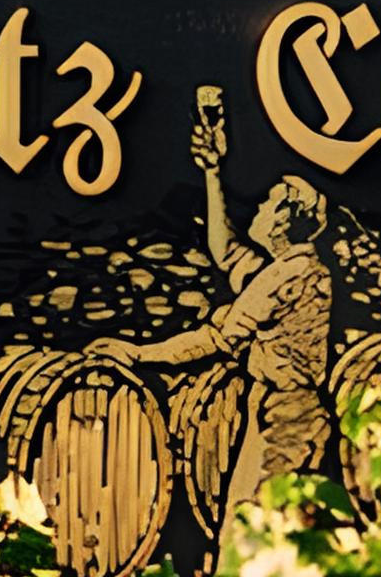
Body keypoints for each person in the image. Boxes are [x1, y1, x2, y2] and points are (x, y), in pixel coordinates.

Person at [124, 137, 340, 520]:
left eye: (270, 202)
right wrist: (211, 172)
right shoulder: (292, 267)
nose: (259, 207)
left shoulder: (285, 275)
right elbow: (224, 251)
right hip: (284, 412)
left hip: (286, 420)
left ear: (284, 221)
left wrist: (138, 354)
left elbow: (217, 340)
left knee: (258, 529)